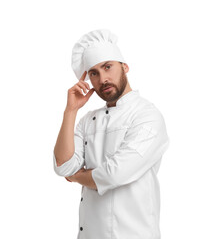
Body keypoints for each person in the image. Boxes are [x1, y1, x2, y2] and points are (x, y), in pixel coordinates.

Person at [53, 29, 170, 239]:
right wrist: (70, 111)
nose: (103, 79)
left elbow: (114, 174)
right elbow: (63, 166)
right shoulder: (87, 120)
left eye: (108, 67)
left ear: (124, 67)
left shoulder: (147, 116)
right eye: (94, 73)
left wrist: (78, 176)